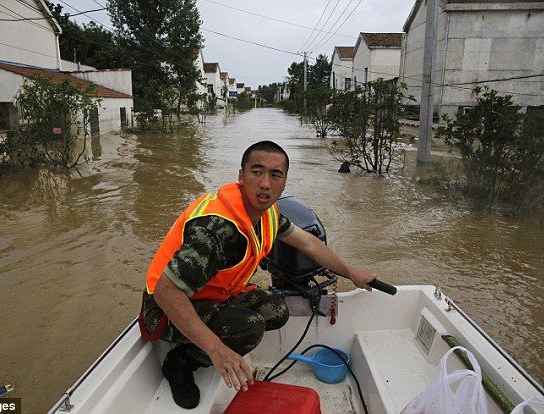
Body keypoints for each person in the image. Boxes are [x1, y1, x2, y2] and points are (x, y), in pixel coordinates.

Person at [139, 140, 375, 409]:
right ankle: (180, 362)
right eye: (257, 171)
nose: (265, 184)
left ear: (284, 182)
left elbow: (308, 243)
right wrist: (217, 350)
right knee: (250, 327)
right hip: (162, 310)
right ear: (241, 176)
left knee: (276, 310)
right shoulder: (217, 230)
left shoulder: (269, 214)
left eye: (275, 175)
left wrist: (351, 272)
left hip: (210, 295)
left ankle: (195, 349)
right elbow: (165, 291)